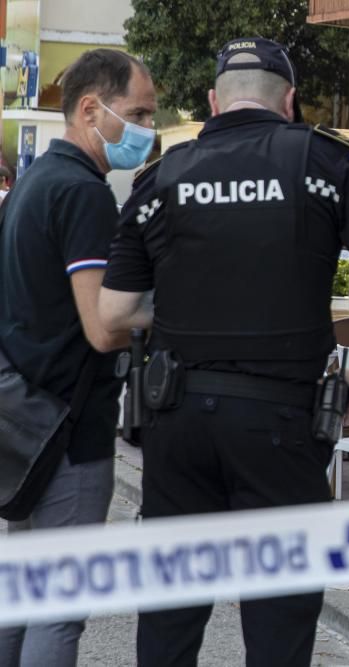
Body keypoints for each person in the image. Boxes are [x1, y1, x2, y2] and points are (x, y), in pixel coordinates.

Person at [97, 37, 349, 666]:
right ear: (291, 102)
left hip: (177, 418)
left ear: (215, 101)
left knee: (169, 618)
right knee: (278, 623)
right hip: (282, 424)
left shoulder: (164, 174)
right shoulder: (326, 164)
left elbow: (114, 314)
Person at [0, 49, 157, 666]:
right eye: (139, 112)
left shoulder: (34, 182)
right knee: (57, 615)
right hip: (69, 433)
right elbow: (103, 326)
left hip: (22, 422)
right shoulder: (85, 195)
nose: (147, 127)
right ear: (91, 108)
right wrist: (170, 316)